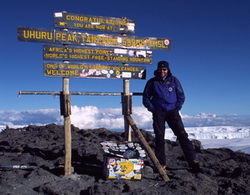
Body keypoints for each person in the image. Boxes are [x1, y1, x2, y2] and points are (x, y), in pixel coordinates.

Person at [142, 61, 200, 172]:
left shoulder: (174, 80)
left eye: (164, 69)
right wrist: (153, 109)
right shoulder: (152, 82)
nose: (162, 71)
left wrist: (176, 107)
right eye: (160, 69)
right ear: (157, 70)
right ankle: (161, 164)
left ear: (168, 70)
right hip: (158, 112)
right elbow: (146, 98)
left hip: (172, 112)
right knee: (159, 138)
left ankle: (192, 161)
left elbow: (181, 95)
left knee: (182, 135)